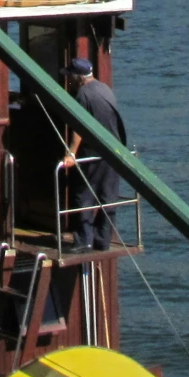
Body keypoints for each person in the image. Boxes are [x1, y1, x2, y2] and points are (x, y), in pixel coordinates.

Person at [64, 57, 125, 251]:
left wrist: (71, 154)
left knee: (84, 196)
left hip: (93, 154)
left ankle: (84, 241)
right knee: (108, 197)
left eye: (70, 76)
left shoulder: (83, 93)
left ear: (78, 76)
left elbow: (79, 127)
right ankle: (103, 240)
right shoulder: (104, 88)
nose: (68, 80)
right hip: (113, 152)